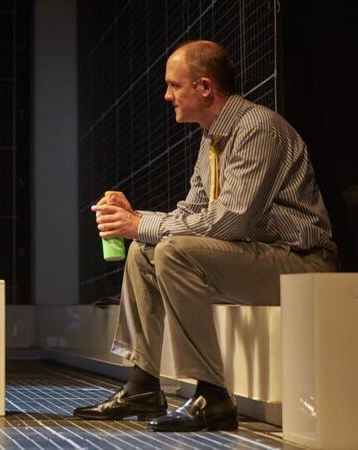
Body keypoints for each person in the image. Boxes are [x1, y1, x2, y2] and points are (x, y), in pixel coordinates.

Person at [73, 40, 337, 431]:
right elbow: (193, 213)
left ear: (204, 87)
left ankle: (212, 395)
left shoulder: (257, 129)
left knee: (173, 252)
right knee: (145, 252)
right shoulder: (211, 138)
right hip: (254, 257)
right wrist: (135, 219)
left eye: (174, 86)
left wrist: (138, 225)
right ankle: (143, 384)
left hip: (300, 262)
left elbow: (231, 222)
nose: (167, 96)